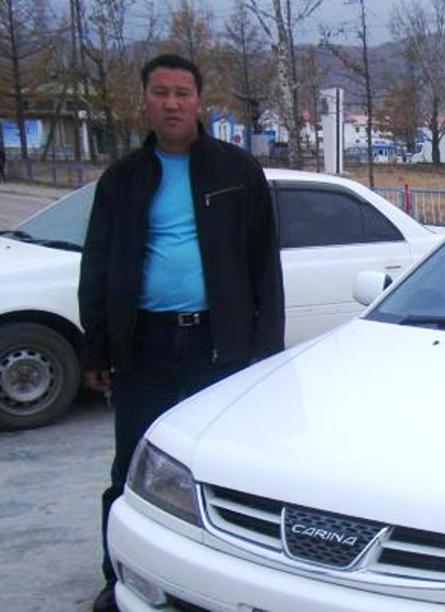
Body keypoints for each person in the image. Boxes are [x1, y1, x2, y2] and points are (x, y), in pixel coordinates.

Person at [79, 54, 285, 612]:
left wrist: (266, 353)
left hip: (216, 346)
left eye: (182, 93)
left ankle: (223, 582)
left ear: (199, 102)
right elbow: (97, 265)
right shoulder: (123, 179)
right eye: (160, 92)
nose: (171, 104)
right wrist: (96, 347)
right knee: (132, 468)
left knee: (220, 471)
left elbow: (264, 265)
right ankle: (119, 575)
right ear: (144, 99)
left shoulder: (237, 172)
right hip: (143, 347)